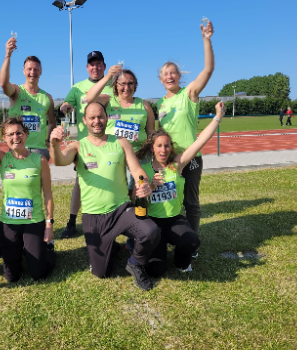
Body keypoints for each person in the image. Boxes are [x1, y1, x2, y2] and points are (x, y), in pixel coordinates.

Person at [49, 102, 161, 291]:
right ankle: (112, 246)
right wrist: (54, 144)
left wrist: (143, 184)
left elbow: (137, 170)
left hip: (121, 210)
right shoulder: (78, 146)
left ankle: (135, 263)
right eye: (92, 117)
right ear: (84, 121)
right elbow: (60, 161)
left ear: (107, 118)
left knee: (151, 232)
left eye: (100, 116)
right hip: (93, 216)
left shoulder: (120, 142)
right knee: (101, 273)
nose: (97, 121)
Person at [135, 102, 225, 276]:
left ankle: (181, 261)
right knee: (156, 271)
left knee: (191, 241)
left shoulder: (175, 165)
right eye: (159, 146)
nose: (163, 150)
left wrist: (218, 117)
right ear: (152, 148)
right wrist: (151, 186)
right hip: (153, 223)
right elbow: (137, 202)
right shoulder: (143, 170)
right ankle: (155, 250)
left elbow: (199, 142)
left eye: (167, 145)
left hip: (174, 220)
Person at [0, 99, 56, 283]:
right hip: (9, 222)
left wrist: (49, 224)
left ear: (26, 134)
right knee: (12, 276)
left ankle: (46, 249)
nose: (15, 137)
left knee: (38, 273)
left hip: (34, 221)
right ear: (4, 138)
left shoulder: (39, 160)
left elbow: (48, 194)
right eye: (10, 134)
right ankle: (20, 248)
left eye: (19, 133)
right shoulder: (2, 158)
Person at [156, 20, 215, 257]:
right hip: (168, 160)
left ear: (179, 76)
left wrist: (206, 39)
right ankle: (172, 236)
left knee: (191, 203)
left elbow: (208, 70)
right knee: (169, 201)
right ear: (161, 80)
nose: (169, 76)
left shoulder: (188, 93)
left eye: (173, 73)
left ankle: (191, 244)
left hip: (190, 158)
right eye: (165, 74)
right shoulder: (160, 103)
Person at [59, 51, 113, 239]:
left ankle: (114, 217)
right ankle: (72, 222)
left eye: (98, 64)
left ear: (104, 67)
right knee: (80, 183)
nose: (95, 67)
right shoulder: (77, 87)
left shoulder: (113, 85)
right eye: (92, 64)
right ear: (87, 67)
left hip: (110, 142)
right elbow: (67, 104)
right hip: (86, 144)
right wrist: (65, 107)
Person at [85, 65, 156, 195]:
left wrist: (145, 150)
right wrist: (107, 76)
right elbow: (89, 99)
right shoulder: (108, 100)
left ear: (135, 85)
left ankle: (137, 213)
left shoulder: (144, 105)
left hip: (139, 156)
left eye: (130, 83)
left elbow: (151, 134)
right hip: (114, 155)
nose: (126, 87)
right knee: (117, 192)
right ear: (116, 85)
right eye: (122, 83)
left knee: (138, 192)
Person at [0, 37, 56, 161]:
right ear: (24, 71)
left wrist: (48, 139)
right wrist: (8, 55)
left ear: (40, 72)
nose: (32, 72)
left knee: (42, 181)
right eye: (29, 69)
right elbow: (3, 84)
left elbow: (52, 121)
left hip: (40, 151)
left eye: (36, 69)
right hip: (18, 148)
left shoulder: (47, 98)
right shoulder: (17, 91)